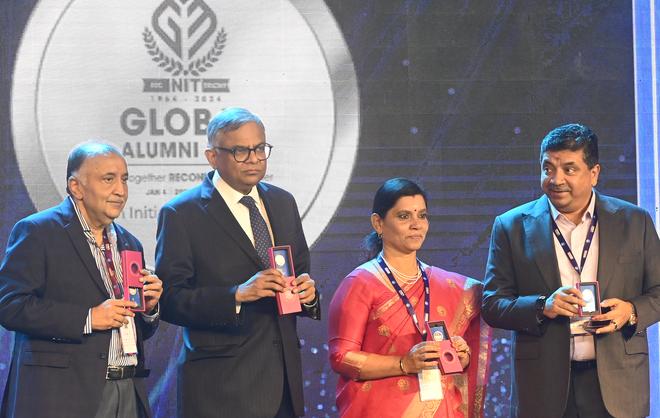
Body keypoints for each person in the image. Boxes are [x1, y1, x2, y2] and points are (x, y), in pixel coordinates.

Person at [481, 123, 660, 418]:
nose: (556, 179)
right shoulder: (511, 226)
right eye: (547, 168)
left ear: (594, 173)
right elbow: (491, 304)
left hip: (618, 385)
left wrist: (630, 311)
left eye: (569, 169)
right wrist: (543, 306)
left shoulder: (634, 221)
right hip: (544, 386)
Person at [156, 107, 321, 418]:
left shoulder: (283, 203)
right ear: (212, 156)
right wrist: (236, 295)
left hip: (284, 384)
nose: (254, 158)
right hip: (221, 389)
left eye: (260, 148)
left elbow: (301, 271)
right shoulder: (182, 213)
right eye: (241, 151)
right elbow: (170, 300)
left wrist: (308, 295)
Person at [0, 142, 163, 418]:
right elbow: (10, 306)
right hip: (63, 395)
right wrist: (87, 318)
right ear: (76, 187)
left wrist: (148, 309)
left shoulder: (129, 242)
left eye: (124, 179)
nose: (121, 191)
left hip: (127, 389)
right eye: (108, 179)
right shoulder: (38, 232)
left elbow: (137, 330)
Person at [328, 178, 490, 418]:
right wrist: (404, 363)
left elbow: (463, 352)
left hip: (439, 407)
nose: (416, 225)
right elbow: (341, 356)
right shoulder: (361, 282)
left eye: (422, 215)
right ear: (378, 223)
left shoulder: (448, 285)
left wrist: (461, 355)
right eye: (404, 216)